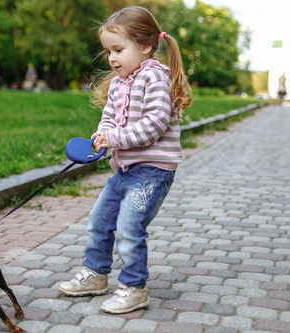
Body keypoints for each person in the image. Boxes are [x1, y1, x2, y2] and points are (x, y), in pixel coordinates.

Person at [58, 6, 193, 314]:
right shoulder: (120, 83)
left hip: (152, 171)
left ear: (145, 46)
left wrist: (117, 138)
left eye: (118, 49)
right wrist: (102, 136)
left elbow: (156, 122)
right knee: (99, 220)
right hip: (123, 169)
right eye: (108, 51)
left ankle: (134, 287)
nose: (112, 58)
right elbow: (108, 118)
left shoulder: (155, 77)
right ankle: (95, 273)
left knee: (130, 227)